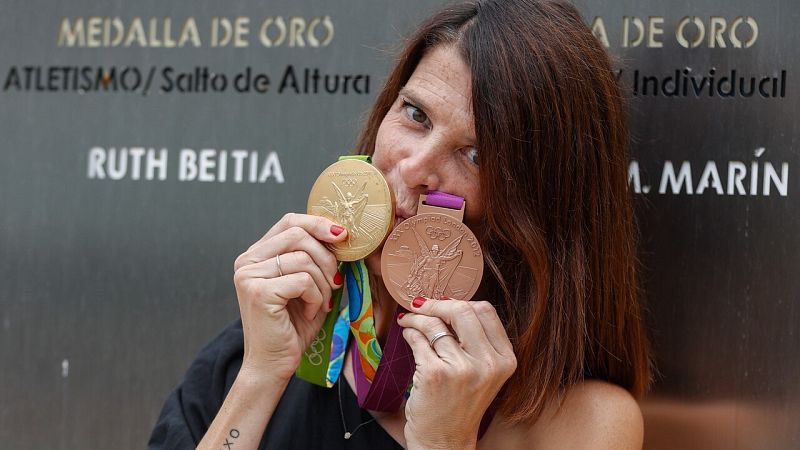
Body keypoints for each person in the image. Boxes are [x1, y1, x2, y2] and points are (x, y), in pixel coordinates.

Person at [148, 0, 651, 448]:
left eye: (475, 154)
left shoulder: (582, 422)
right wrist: (261, 377)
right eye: (415, 114)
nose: (413, 167)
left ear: (539, 207)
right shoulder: (276, 335)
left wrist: (443, 443)